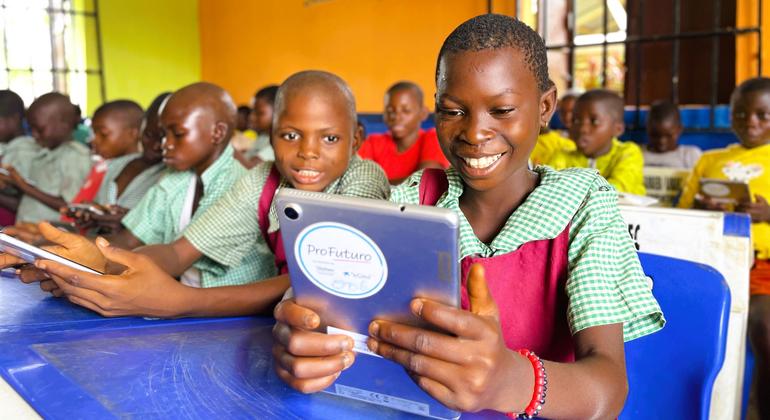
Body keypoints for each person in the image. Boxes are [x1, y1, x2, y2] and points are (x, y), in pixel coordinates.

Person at [270, 14, 663, 419]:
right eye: (453, 111)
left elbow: (608, 391)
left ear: (545, 107)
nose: (475, 132)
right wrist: (302, 336)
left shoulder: (583, 206)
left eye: (502, 109)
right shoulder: (411, 203)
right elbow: (337, 314)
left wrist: (512, 380)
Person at [15, 71, 389, 318]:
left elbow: (317, 281)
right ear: (270, 134)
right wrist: (96, 263)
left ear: (355, 139)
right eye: (290, 135)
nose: (308, 151)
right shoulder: (263, 179)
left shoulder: (363, 178)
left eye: (329, 138)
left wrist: (179, 303)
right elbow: (179, 252)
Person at [676, 77, 770, 418]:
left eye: (763, 115)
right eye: (741, 113)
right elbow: (682, 211)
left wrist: (767, 214)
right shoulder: (709, 159)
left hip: (762, 267)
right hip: (713, 262)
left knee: (765, 328)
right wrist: (705, 209)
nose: (751, 122)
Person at [70, 94, 169, 233]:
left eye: (164, 137)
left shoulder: (167, 178)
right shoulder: (114, 165)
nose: (156, 145)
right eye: (149, 135)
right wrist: (94, 213)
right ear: (141, 132)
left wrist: (128, 220)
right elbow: (102, 206)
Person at [0, 92, 91, 223]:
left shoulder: (75, 156)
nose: (34, 135)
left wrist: (23, 186)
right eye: (32, 129)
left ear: (64, 124)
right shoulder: (45, 153)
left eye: (40, 129)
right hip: (28, 232)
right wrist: (13, 183)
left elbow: (72, 207)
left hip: (52, 236)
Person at [549, 89, 646, 195]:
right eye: (576, 120)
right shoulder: (563, 156)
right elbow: (551, 188)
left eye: (594, 121)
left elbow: (617, 189)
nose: (582, 129)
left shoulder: (628, 153)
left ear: (617, 129)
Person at [358, 81, 449, 184]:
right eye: (390, 111)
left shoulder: (432, 138)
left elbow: (424, 183)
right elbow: (360, 182)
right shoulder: (372, 142)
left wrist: (378, 185)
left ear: (423, 113)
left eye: (406, 111)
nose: (396, 117)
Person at [642, 100, 701, 168]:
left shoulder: (689, 155)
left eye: (669, 136)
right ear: (647, 129)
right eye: (655, 135)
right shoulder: (637, 154)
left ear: (679, 129)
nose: (662, 141)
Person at [235, 85, 278, 168]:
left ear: (278, 111)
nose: (251, 117)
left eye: (259, 113)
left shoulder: (277, 143)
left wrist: (229, 149)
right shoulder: (263, 137)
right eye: (253, 111)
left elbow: (251, 168)